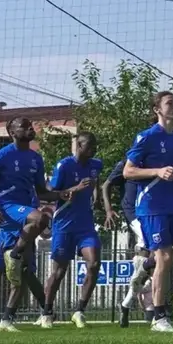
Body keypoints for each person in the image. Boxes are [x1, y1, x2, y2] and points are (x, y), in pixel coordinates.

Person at [0, 117, 61, 332]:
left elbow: (42, 191)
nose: (30, 128)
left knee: (15, 271)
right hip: (7, 208)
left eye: (30, 124)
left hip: (22, 217)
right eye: (24, 126)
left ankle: (30, 314)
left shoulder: (35, 159)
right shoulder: (2, 156)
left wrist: (64, 194)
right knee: (40, 220)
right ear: (12, 132)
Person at [123, 91, 173, 333]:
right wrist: (156, 171)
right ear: (157, 109)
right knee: (165, 258)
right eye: (170, 104)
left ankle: (147, 265)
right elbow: (128, 172)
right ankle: (158, 316)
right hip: (152, 207)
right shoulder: (146, 137)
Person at [39, 132, 106, 328]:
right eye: (89, 145)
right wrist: (74, 190)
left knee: (93, 263)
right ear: (79, 145)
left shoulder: (95, 165)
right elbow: (50, 193)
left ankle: (79, 311)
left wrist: (96, 195)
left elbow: (95, 180)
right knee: (59, 272)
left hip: (85, 224)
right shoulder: (65, 166)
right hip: (64, 224)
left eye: (95, 145)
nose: (93, 149)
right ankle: (47, 312)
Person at [103, 157, 153, 327]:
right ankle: (149, 300)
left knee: (153, 255)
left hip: (151, 212)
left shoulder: (155, 162)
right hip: (134, 214)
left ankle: (126, 304)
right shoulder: (125, 163)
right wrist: (108, 210)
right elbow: (106, 185)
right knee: (157, 249)